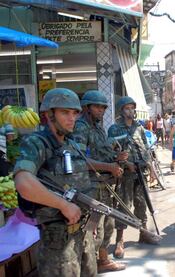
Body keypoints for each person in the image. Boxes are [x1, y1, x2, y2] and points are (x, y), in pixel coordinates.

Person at [14, 88, 97, 276]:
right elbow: (23, 183)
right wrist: (63, 205)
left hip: (83, 234)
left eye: (74, 113)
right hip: (58, 243)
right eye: (64, 112)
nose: (71, 118)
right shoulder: (37, 143)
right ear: (49, 115)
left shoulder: (72, 144)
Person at [72, 90, 127, 273]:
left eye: (103, 107)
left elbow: (102, 152)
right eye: (97, 107)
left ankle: (102, 261)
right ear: (86, 107)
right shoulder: (80, 127)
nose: (101, 110)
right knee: (94, 230)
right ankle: (90, 267)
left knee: (108, 226)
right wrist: (109, 167)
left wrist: (116, 157)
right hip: (91, 187)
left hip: (105, 185)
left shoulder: (98, 127)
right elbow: (79, 160)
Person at [108, 96, 162, 259]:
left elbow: (146, 149)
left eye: (132, 108)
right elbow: (111, 152)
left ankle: (143, 233)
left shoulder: (139, 127)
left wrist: (152, 168)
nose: (131, 111)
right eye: (127, 108)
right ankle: (119, 240)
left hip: (141, 172)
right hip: (125, 175)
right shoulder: (114, 129)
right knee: (124, 206)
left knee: (142, 204)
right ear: (121, 111)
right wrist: (126, 163)